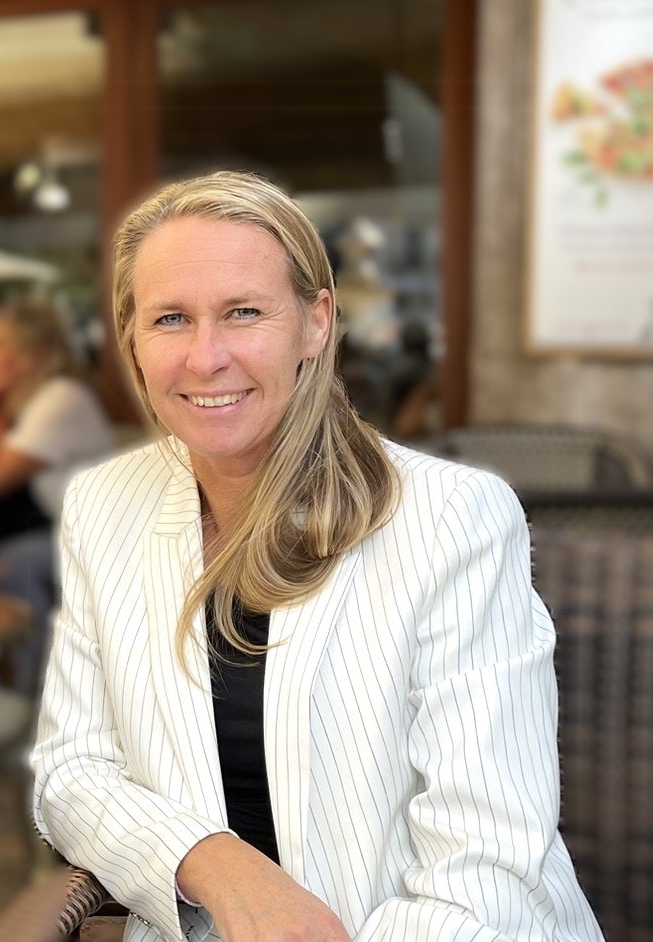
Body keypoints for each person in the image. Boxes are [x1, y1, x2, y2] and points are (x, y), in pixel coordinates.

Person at [31, 172, 603, 941]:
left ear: (316, 322)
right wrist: (211, 862)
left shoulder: (454, 519)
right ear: (132, 340)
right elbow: (72, 771)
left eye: (243, 312)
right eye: (171, 318)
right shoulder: (105, 504)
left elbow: (486, 869)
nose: (205, 357)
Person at [0, 300, 113, 767]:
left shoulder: (62, 398)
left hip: (91, 539)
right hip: (14, 532)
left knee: (11, 564)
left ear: (32, 352)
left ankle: (31, 707)